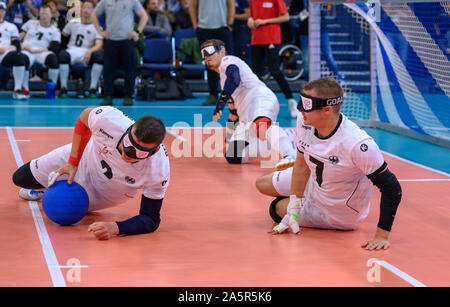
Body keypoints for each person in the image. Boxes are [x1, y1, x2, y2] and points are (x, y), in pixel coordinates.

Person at [255, 77, 402, 250]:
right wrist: (294, 208)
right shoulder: (305, 122)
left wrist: (382, 235)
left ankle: (308, 206)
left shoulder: (357, 144)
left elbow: (392, 188)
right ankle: (302, 201)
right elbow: (301, 165)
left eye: (307, 105)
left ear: (326, 109)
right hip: (317, 181)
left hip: (337, 212)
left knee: (276, 209)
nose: (300, 109)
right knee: (262, 183)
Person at [12, 106, 170, 240]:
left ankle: (49, 190)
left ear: (154, 151)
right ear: (130, 129)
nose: (127, 153)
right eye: (128, 144)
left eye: (139, 153)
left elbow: (150, 219)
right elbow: (84, 117)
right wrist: (73, 162)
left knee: (68, 208)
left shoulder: (158, 169)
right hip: (84, 157)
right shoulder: (109, 120)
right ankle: (42, 189)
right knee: (20, 178)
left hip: (107, 191)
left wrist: (116, 227)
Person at [202, 39, 296, 169]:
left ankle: (290, 155)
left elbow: (234, 78)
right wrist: (227, 140)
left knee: (261, 126)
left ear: (222, 52)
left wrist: (221, 101)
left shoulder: (229, 61)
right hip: (245, 117)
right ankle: (287, 137)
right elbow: (234, 114)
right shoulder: (223, 83)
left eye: (210, 51)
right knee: (233, 155)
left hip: (259, 99)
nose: (206, 56)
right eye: (203, 54)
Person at [91, 0, 148, 106]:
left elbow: (144, 15)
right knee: (108, 69)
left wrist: (137, 32)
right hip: (110, 40)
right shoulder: (105, 1)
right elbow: (94, 14)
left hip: (127, 40)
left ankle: (128, 96)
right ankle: (108, 95)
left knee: (130, 69)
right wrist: (100, 31)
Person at [248, 0, 298, 118]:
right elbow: (251, 15)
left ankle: (291, 101)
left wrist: (265, 21)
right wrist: (250, 20)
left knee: (275, 71)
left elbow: (286, 17)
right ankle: (257, 105)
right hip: (256, 38)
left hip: (271, 38)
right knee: (256, 74)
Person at [189, 0, 235, 106]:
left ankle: (232, 94)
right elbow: (192, 6)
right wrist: (196, 25)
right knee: (210, 63)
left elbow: (231, 4)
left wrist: (230, 24)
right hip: (204, 29)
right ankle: (213, 94)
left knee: (228, 63)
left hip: (223, 27)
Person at [12, 4, 60, 100]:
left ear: (51, 15)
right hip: (27, 50)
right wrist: (21, 45)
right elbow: (18, 38)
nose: (43, 15)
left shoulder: (55, 30)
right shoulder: (30, 23)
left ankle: (51, 90)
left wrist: (35, 50)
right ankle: (19, 89)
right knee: (20, 59)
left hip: (42, 51)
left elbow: (54, 48)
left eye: (46, 13)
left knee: (53, 59)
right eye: (41, 13)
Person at [58, 0, 103, 99]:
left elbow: (99, 45)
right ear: (81, 9)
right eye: (84, 7)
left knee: (99, 56)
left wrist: (89, 51)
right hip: (72, 50)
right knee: (62, 55)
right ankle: (63, 88)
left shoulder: (97, 27)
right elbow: (63, 36)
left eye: (89, 8)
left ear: (93, 11)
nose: (86, 10)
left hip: (87, 53)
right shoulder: (73, 22)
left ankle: (93, 88)